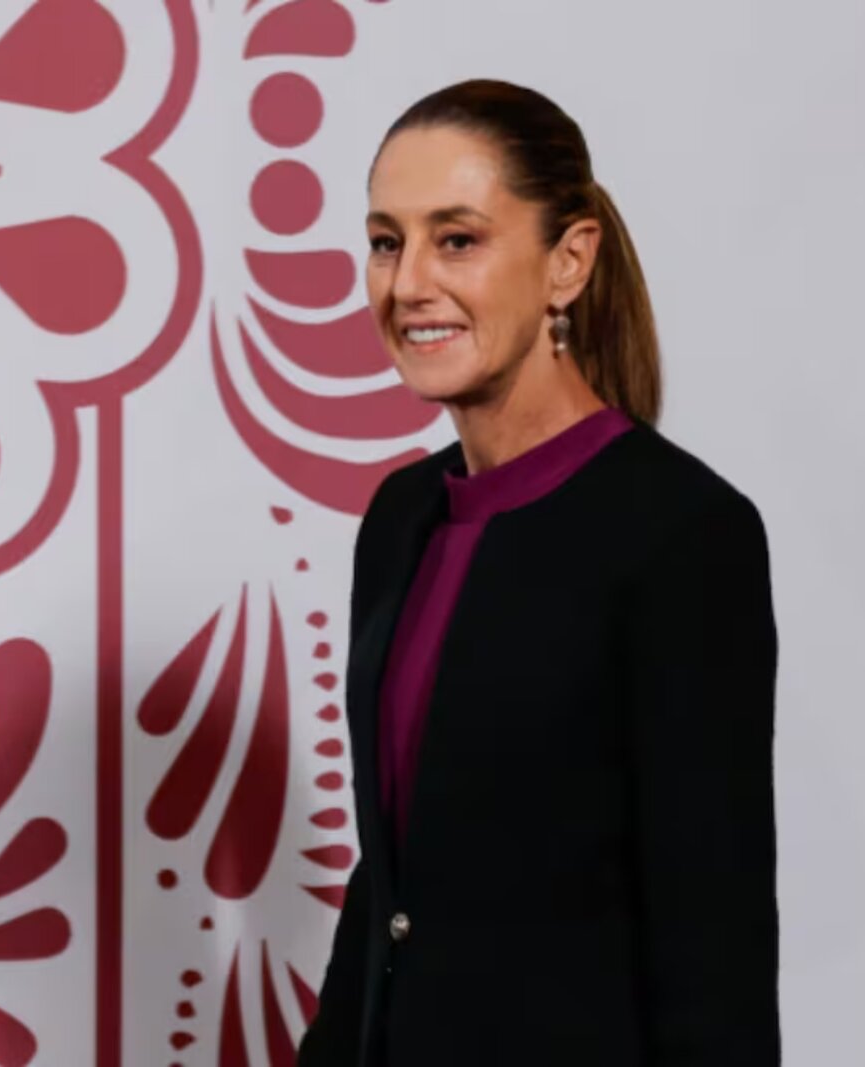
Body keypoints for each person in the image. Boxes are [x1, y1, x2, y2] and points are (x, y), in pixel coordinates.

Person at [296, 80, 780, 1066]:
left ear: (569, 261)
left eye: (457, 239)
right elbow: (391, 884)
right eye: (386, 241)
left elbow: (713, 938)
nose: (408, 282)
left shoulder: (681, 533)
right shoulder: (399, 518)